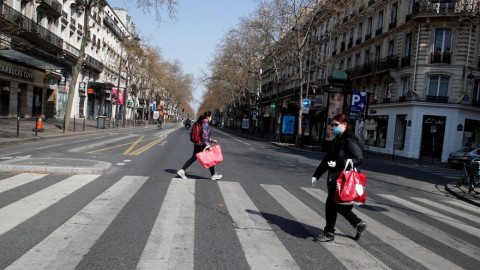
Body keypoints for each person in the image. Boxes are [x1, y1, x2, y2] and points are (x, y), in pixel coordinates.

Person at [311, 113, 367, 242]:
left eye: (336, 125)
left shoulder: (349, 140)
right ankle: (358, 224)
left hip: (344, 180)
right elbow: (327, 159)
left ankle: (330, 233)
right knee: (337, 205)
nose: (333, 127)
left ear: (344, 124)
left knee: (332, 204)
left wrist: (339, 163)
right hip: (336, 178)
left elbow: (359, 159)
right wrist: (317, 174)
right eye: (332, 125)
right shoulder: (337, 139)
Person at [177, 111, 223, 181]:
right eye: (211, 116)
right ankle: (213, 175)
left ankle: (182, 170)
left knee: (193, 158)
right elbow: (204, 135)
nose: (211, 118)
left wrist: (211, 140)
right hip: (202, 144)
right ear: (208, 117)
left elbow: (205, 135)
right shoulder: (205, 124)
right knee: (210, 159)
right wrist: (207, 145)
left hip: (198, 144)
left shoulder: (201, 122)